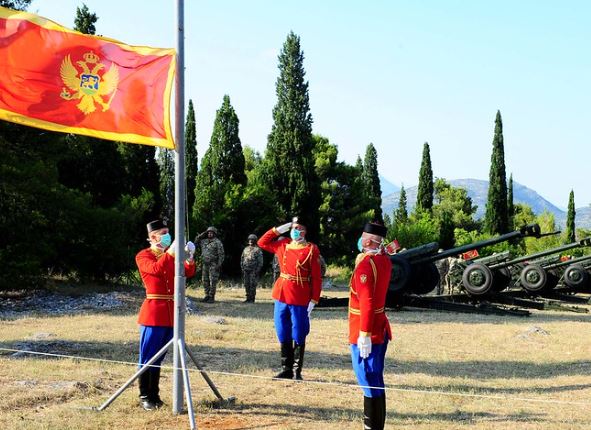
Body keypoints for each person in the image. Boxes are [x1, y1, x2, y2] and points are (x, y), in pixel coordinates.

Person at [135, 219, 196, 411]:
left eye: (168, 232)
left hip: (171, 313)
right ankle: (145, 395)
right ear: (153, 237)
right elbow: (156, 269)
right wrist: (171, 252)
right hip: (154, 313)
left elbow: (187, 272)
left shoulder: (170, 255)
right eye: (163, 232)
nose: (167, 235)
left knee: (159, 358)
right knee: (148, 357)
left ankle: (155, 395)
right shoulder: (144, 255)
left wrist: (190, 257)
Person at [258, 216, 322, 380]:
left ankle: (296, 371)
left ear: (305, 231)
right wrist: (280, 228)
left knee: (299, 332)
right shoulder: (283, 244)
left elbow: (316, 277)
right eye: (293, 228)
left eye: (299, 228)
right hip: (281, 294)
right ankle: (286, 369)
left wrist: (314, 300)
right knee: (282, 330)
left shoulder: (310, 249)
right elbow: (262, 242)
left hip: (300, 296)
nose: (295, 231)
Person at [349, 222, 392, 430]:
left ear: (366, 241)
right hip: (380, 324)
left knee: (367, 378)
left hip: (367, 328)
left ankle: (371, 427)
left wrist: (363, 333)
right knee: (375, 379)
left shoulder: (366, 265)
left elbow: (366, 301)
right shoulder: (383, 260)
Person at [195, 226, 225, 303]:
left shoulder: (218, 242)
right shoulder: (204, 241)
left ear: (214, 234)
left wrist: (219, 264)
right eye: (208, 233)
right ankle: (206, 295)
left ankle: (211, 297)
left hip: (213, 264)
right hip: (205, 264)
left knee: (213, 281)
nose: (210, 234)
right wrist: (202, 234)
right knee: (205, 280)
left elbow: (221, 254)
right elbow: (196, 242)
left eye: (211, 233)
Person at [240, 233, 264, 303]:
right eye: (250, 239)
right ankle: (248, 298)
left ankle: (252, 298)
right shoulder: (245, 249)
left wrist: (257, 270)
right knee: (246, 284)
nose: (250, 241)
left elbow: (260, 261)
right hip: (246, 269)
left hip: (253, 270)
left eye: (252, 240)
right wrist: (242, 267)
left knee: (252, 284)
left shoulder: (257, 250)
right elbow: (242, 258)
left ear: (255, 241)